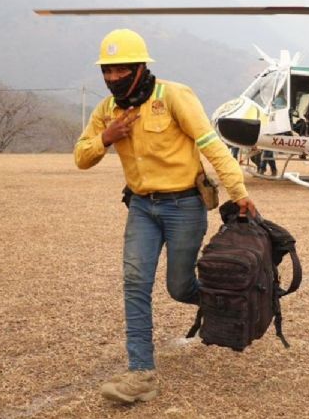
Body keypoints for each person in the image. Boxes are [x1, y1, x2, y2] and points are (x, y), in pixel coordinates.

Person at [73, 28, 257, 404]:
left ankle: (238, 304)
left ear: (140, 68)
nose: (112, 78)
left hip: (184, 206)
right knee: (135, 282)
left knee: (179, 287)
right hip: (141, 207)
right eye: (106, 71)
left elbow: (212, 145)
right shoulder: (107, 112)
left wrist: (239, 194)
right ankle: (141, 375)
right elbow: (81, 158)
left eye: (120, 70)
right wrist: (107, 137)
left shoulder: (172, 96)